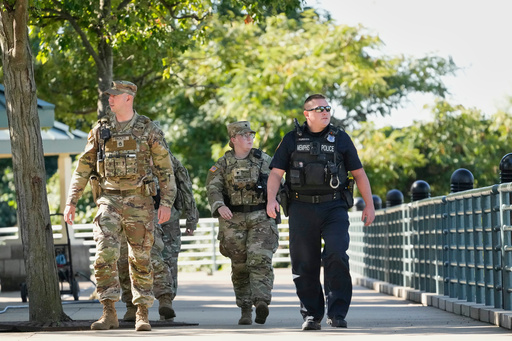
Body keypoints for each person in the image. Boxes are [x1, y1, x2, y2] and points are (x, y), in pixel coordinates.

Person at [64, 80, 176, 332]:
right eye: (109, 96)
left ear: (129, 97)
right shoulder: (101, 129)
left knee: (141, 259)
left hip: (140, 201)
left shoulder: (148, 129)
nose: (110, 99)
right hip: (109, 199)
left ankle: (142, 313)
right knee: (104, 256)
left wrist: (166, 202)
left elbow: (165, 170)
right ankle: (109, 312)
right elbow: (84, 166)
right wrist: (72, 200)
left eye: (115, 96)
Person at [266, 94, 375, 331]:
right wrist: (271, 200)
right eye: (319, 109)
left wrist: (369, 204)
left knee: (336, 253)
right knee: (305, 263)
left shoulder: (341, 139)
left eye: (327, 108)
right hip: (301, 207)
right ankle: (312, 315)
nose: (325, 112)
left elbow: (359, 173)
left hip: (333, 206)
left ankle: (337, 313)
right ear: (307, 114)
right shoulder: (291, 139)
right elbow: (276, 173)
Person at [206, 121, 279, 325]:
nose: (249, 138)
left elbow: (278, 180)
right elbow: (213, 188)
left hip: (260, 218)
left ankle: (262, 301)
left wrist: (274, 200)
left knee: (260, 260)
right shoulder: (222, 164)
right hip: (233, 220)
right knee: (239, 266)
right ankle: (245, 307)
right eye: (244, 135)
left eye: (251, 134)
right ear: (233, 139)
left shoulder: (263, 160)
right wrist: (219, 205)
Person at [119, 153, 198, 321]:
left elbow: (185, 188)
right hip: (137, 214)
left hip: (169, 217)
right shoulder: (129, 155)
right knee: (129, 259)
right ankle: (132, 305)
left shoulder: (170, 159)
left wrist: (191, 218)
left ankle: (166, 303)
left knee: (169, 259)